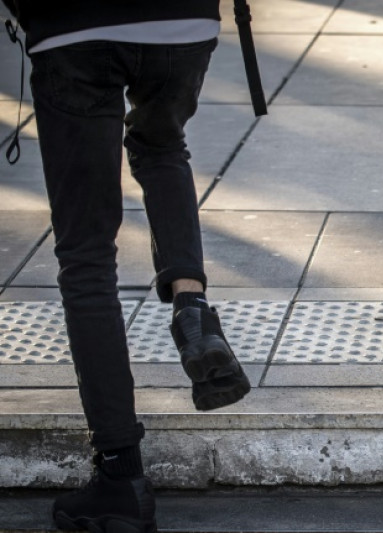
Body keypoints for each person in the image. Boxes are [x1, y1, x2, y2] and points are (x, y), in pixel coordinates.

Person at [2, 1, 251, 531]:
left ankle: (120, 473)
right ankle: (193, 311)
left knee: (87, 256)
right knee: (161, 145)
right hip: (183, 22)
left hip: (76, 29)